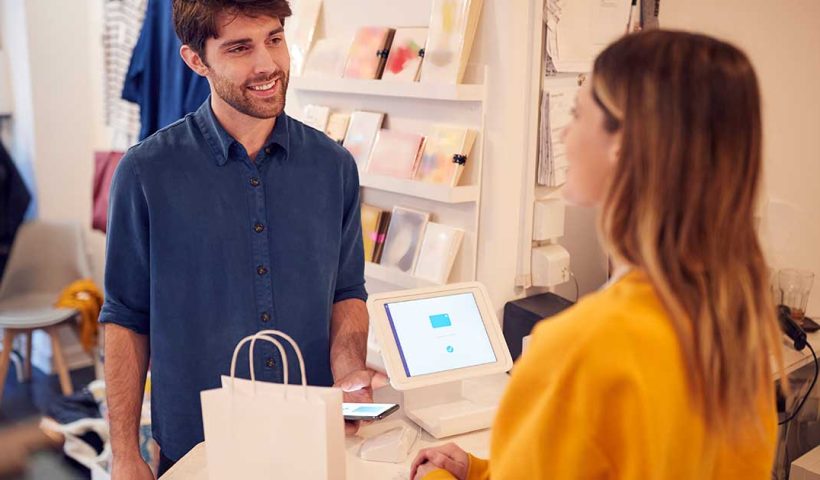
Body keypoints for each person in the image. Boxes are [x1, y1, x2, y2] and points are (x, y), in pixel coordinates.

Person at [411, 29, 783, 480]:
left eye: (577, 113)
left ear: (621, 144)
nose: (565, 133)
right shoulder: (735, 329)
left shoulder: (582, 349)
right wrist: (484, 470)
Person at [99, 1, 372, 478]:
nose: (267, 64)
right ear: (195, 61)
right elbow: (125, 317)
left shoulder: (334, 167)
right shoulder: (145, 173)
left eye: (274, 38)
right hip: (196, 449)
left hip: (310, 438)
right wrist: (125, 451)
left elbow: (346, 292)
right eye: (240, 47)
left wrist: (349, 375)